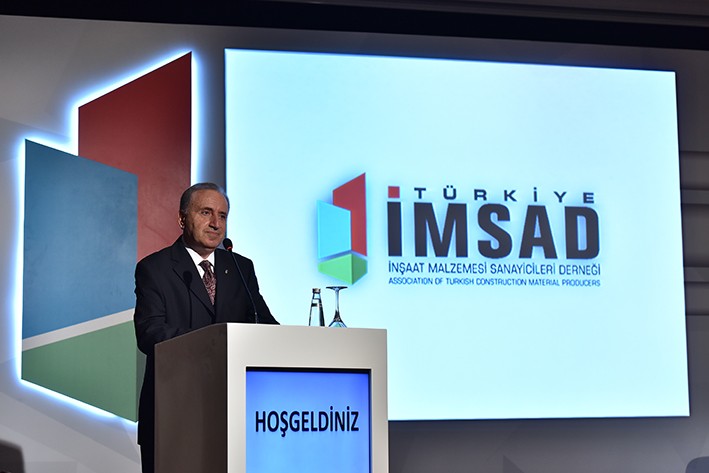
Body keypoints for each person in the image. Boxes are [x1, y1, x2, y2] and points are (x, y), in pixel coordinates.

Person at [133, 182, 278, 473]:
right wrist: (213, 341)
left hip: (233, 413)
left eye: (222, 215)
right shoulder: (155, 268)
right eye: (206, 212)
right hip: (174, 413)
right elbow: (149, 334)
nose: (215, 223)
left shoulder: (240, 267)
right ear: (182, 218)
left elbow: (264, 324)